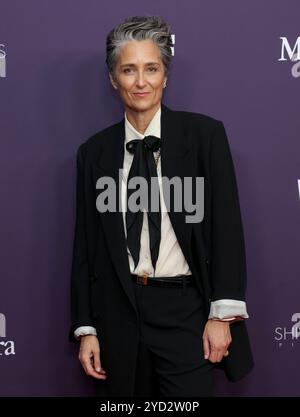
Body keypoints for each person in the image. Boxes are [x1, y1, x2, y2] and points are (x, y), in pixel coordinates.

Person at [69, 15, 254, 397]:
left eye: (151, 69)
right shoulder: (95, 152)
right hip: (118, 311)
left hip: (184, 310)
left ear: (165, 75)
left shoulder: (203, 137)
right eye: (129, 70)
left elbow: (226, 231)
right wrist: (86, 327)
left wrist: (223, 316)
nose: (141, 82)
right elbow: (85, 246)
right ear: (112, 78)